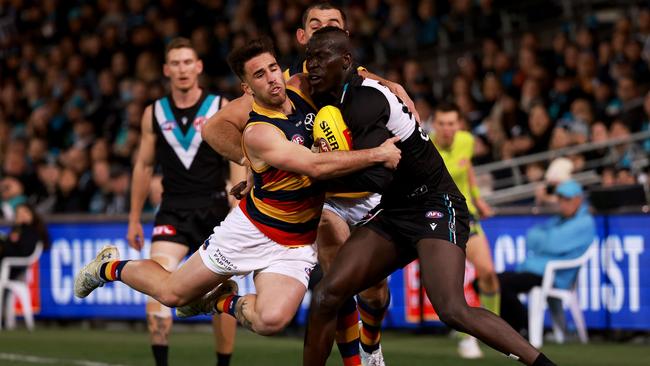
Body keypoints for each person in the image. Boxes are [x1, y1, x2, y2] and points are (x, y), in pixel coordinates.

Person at [74, 38, 400, 342]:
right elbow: (314, 167)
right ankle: (107, 268)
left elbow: (349, 73)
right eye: (260, 75)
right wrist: (377, 154)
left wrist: (392, 85)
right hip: (250, 231)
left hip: (296, 243)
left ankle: (220, 302)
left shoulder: (300, 86)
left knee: (271, 322)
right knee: (173, 294)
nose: (272, 78)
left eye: (273, 68)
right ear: (247, 88)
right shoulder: (259, 132)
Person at [302, 27, 555, 366]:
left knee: (451, 309)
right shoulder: (340, 97)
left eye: (320, 59)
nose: (311, 67)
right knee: (325, 295)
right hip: (395, 209)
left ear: (346, 61)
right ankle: (369, 351)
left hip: (435, 203)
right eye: (308, 59)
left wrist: (313, 177)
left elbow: (376, 176)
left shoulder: (364, 101)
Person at [200, 4, 407, 365]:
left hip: (368, 194)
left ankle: (371, 346)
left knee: (375, 292)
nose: (323, 30)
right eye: (315, 25)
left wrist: (393, 87)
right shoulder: (285, 83)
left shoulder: (362, 79)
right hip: (323, 201)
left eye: (332, 25)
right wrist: (257, 165)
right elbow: (215, 128)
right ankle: (356, 362)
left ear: (345, 37)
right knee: (337, 277)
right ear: (302, 36)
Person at [125, 37, 244, 366]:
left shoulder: (220, 106)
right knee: (157, 278)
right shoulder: (154, 112)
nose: (182, 69)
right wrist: (134, 217)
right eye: (175, 63)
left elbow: (236, 156)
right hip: (173, 209)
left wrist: (238, 201)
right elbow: (144, 166)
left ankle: (223, 364)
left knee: (223, 291)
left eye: (187, 62)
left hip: (216, 210)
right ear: (166, 70)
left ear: (199, 67)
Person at [429, 102, 500, 359]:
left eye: (452, 124)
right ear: (434, 125)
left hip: (466, 214)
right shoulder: (425, 145)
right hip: (436, 217)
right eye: (442, 124)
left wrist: (478, 198)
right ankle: (465, 337)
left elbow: (467, 168)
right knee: (452, 282)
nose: (447, 129)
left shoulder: (466, 141)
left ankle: (493, 332)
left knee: (488, 274)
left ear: (458, 125)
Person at [498, 180, 595, 334]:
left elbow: (551, 243)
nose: (562, 204)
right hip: (536, 270)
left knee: (503, 285)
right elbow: (531, 238)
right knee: (490, 281)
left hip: (555, 276)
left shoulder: (585, 222)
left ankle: (525, 328)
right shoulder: (559, 220)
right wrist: (548, 239)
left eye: (567, 199)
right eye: (560, 199)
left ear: (578, 200)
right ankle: (516, 328)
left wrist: (546, 239)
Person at [0, 203, 49, 280]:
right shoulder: (17, 231)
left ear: (32, 214)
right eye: (19, 213)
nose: (22, 215)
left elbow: (23, 251)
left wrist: (9, 243)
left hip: (13, 266)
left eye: (25, 212)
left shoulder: (33, 232)